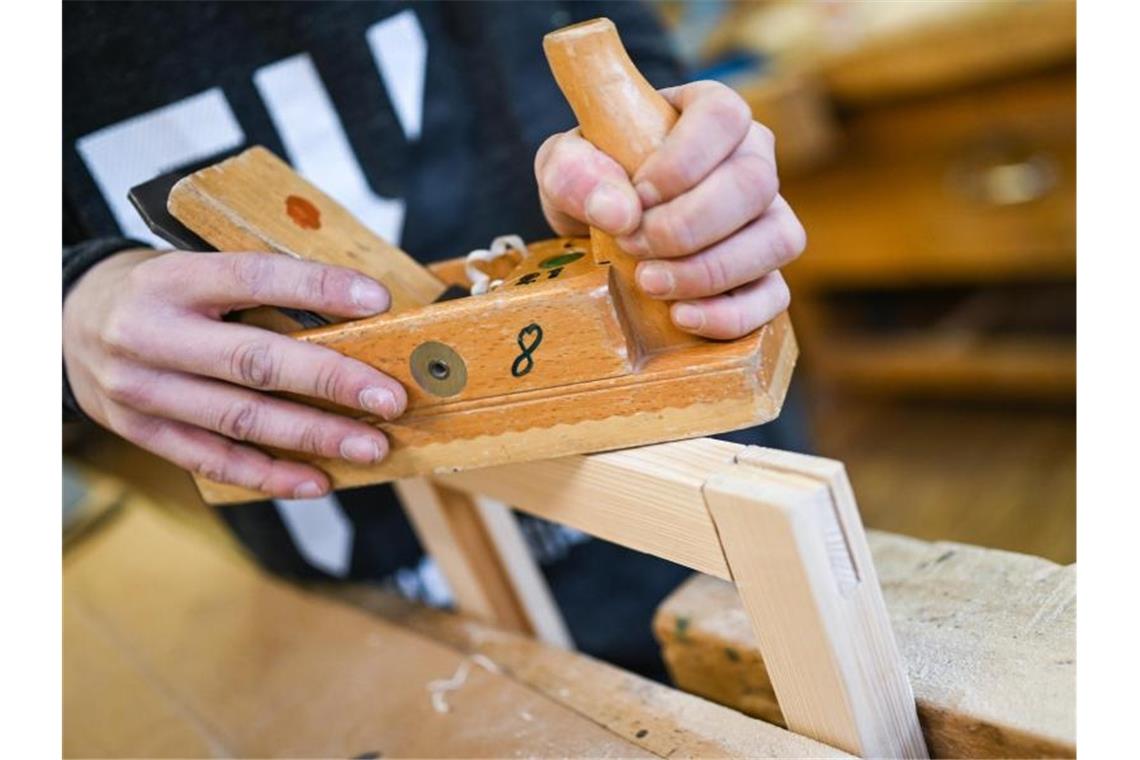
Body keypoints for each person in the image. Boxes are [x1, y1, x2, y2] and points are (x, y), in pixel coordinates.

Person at [63, 1, 805, 678]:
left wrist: (693, 172)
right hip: (388, 614)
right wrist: (68, 306)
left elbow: (616, 29)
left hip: (710, 527)